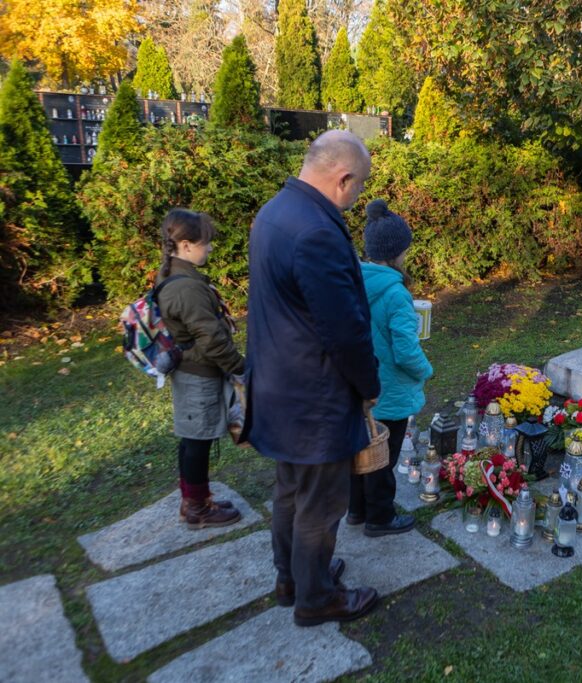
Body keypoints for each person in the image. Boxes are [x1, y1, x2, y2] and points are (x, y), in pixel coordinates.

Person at [244, 130, 380, 627]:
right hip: (313, 395)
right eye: (359, 186)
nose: (357, 196)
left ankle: (292, 577)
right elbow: (343, 330)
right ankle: (317, 598)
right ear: (343, 179)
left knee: (288, 490)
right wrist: (369, 385)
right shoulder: (317, 231)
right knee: (320, 506)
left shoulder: (274, 211)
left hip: (277, 385)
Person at [346, 200, 433, 537]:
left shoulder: (353, 282)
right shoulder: (395, 293)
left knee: (361, 448)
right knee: (384, 456)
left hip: (362, 385)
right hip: (391, 390)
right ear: (397, 251)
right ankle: (379, 517)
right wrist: (425, 370)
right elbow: (406, 352)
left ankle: (356, 509)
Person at [155, 208, 243, 529]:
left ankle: (196, 498)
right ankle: (196, 509)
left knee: (194, 439)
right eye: (205, 242)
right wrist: (239, 368)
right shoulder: (187, 287)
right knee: (196, 442)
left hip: (190, 371)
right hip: (198, 376)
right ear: (187, 245)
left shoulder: (174, 273)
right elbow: (212, 338)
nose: (210, 248)